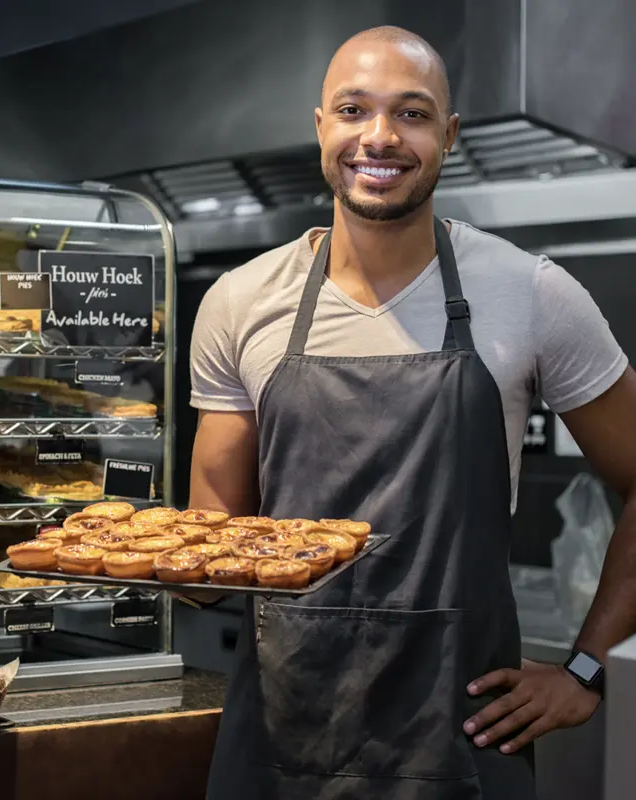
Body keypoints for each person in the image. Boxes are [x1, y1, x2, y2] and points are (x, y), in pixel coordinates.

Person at [189, 25, 636, 800]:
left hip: (462, 735)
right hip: (279, 734)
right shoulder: (240, 302)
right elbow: (211, 539)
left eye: (413, 113)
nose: (380, 137)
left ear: (449, 136)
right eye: (354, 110)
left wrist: (585, 668)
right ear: (321, 126)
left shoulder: (532, 295)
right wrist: (111, 558)